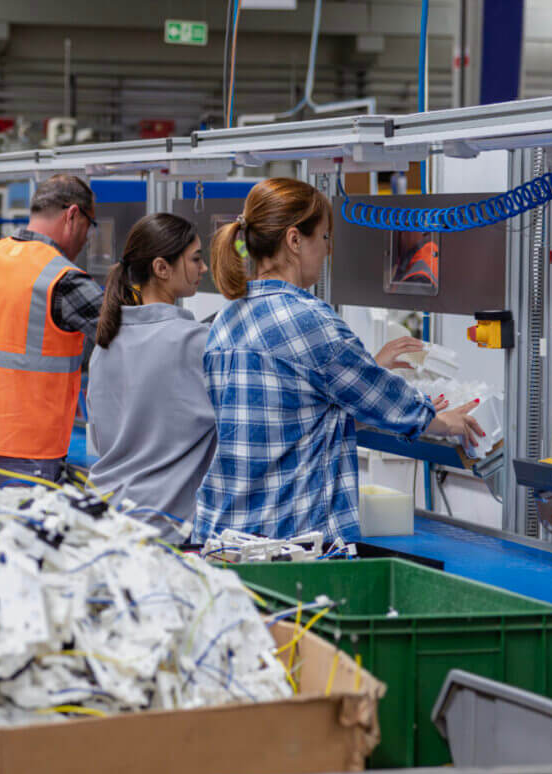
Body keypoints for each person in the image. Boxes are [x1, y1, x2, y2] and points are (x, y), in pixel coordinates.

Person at [193, 178, 482, 543]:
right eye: (325, 238)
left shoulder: (226, 319)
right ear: (295, 240)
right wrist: (443, 420)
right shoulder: (311, 321)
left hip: (224, 534)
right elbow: (384, 400)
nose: (328, 251)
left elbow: (297, 413)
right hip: (289, 543)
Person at [0, 174, 103, 488]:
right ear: (73, 215)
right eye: (89, 225)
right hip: (32, 450)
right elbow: (129, 336)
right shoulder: (63, 279)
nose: (87, 238)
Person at [86, 213, 214, 537]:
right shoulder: (195, 342)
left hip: (105, 514)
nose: (204, 268)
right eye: (196, 259)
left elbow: (102, 439)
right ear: (161, 268)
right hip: (164, 525)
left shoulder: (105, 343)